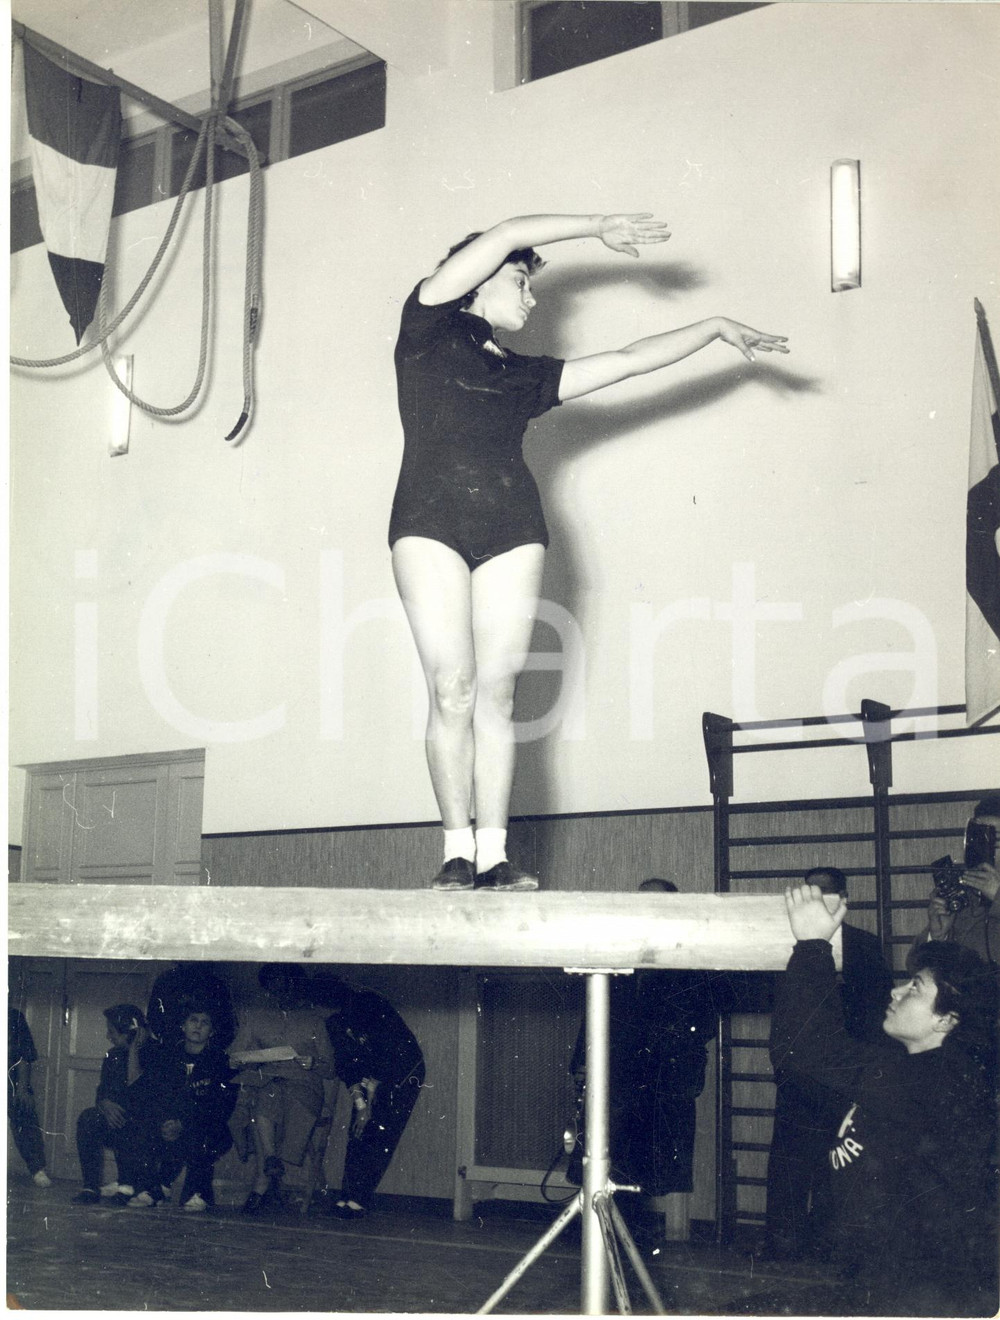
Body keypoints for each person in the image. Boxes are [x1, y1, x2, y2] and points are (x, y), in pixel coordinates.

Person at [390, 214, 789, 892]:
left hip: (511, 524)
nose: (531, 298)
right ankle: (456, 851)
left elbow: (629, 359)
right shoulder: (424, 324)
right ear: (477, 278)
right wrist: (597, 226)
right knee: (452, 687)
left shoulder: (525, 375)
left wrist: (715, 326)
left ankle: (494, 856)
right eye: (521, 281)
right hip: (429, 521)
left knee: (498, 691)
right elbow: (505, 232)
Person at [771, 882, 999, 1316]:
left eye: (914, 987)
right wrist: (942, 937)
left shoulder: (929, 1080)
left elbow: (802, 1051)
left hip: (925, 1292)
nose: (896, 992)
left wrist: (813, 945)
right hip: (890, 1276)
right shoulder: (923, 1066)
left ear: (946, 1021)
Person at [568, 879, 723, 1244]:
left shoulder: (692, 956)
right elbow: (595, 1011)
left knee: (650, 1166)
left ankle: (634, 1231)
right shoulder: (616, 949)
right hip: (617, 1074)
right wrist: (582, 1062)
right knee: (605, 1153)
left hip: (664, 1075)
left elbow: (705, 1019)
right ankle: (600, 1230)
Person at [763, 866, 894, 1261]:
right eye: (810, 892)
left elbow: (876, 1016)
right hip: (799, 1075)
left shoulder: (863, 946)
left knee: (835, 1164)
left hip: (844, 1075)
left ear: (843, 900)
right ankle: (782, 1242)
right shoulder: (787, 941)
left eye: (825, 894)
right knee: (789, 1161)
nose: (816, 900)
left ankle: (829, 1243)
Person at [308, 973, 426, 1220]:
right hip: (371, 1074)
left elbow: (387, 1056)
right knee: (358, 1131)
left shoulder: (369, 1005)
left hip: (402, 1072)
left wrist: (369, 1104)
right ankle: (347, 1195)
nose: (313, 1011)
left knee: (380, 1133)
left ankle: (359, 1200)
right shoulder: (333, 1021)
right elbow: (346, 1064)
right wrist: (360, 1104)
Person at [227, 964, 337, 1214]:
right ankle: (269, 1167)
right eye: (273, 989)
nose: (280, 995)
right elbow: (236, 1053)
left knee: (263, 1099)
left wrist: (312, 1063)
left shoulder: (314, 1021)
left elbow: (330, 1069)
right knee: (264, 1093)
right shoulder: (256, 1017)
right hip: (266, 1080)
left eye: (286, 987)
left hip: (303, 1086)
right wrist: (239, 1060)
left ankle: (264, 1177)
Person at [126, 1006, 238, 1212]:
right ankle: (154, 1188)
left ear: (211, 1032)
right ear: (183, 1026)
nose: (198, 1026)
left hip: (208, 1127)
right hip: (170, 1123)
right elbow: (154, 1094)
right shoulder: (168, 1057)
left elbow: (220, 1106)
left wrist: (183, 1123)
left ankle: (198, 1192)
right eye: (193, 1020)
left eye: (205, 1023)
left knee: (198, 1134)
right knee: (144, 1127)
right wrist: (166, 1122)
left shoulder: (220, 1061)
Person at [73, 1004, 153, 1204]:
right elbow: (102, 1092)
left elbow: (141, 1093)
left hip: (145, 1124)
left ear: (130, 1032)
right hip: (118, 1120)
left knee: (132, 1120)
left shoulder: (156, 1054)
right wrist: (105, 1104)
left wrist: (134, 1050)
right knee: (88, 1118)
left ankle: (128, 1187)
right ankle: (90, 1187)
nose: (108, 1036)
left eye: (112, 1032)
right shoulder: (113, 1055)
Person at [910, 795, 1000, 967]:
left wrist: (998, 896)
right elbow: (916, 969)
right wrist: (937, 937)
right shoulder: (962, 896)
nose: (983, 850)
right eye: (978, 839)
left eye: (994, 841)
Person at [146, 961, 237, 1050]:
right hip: (172, 1049)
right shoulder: (166, 980)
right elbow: (154, 1018)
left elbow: (228, 1027)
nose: (198, 1026)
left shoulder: (217, 984)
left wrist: (210, 1052)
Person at [7, 1006, 51, 1187]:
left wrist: (22, 1089)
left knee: (23, 1108)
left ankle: (37, 1169)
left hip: (10, 1078)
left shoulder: (13, 1016)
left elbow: (24, 1055)